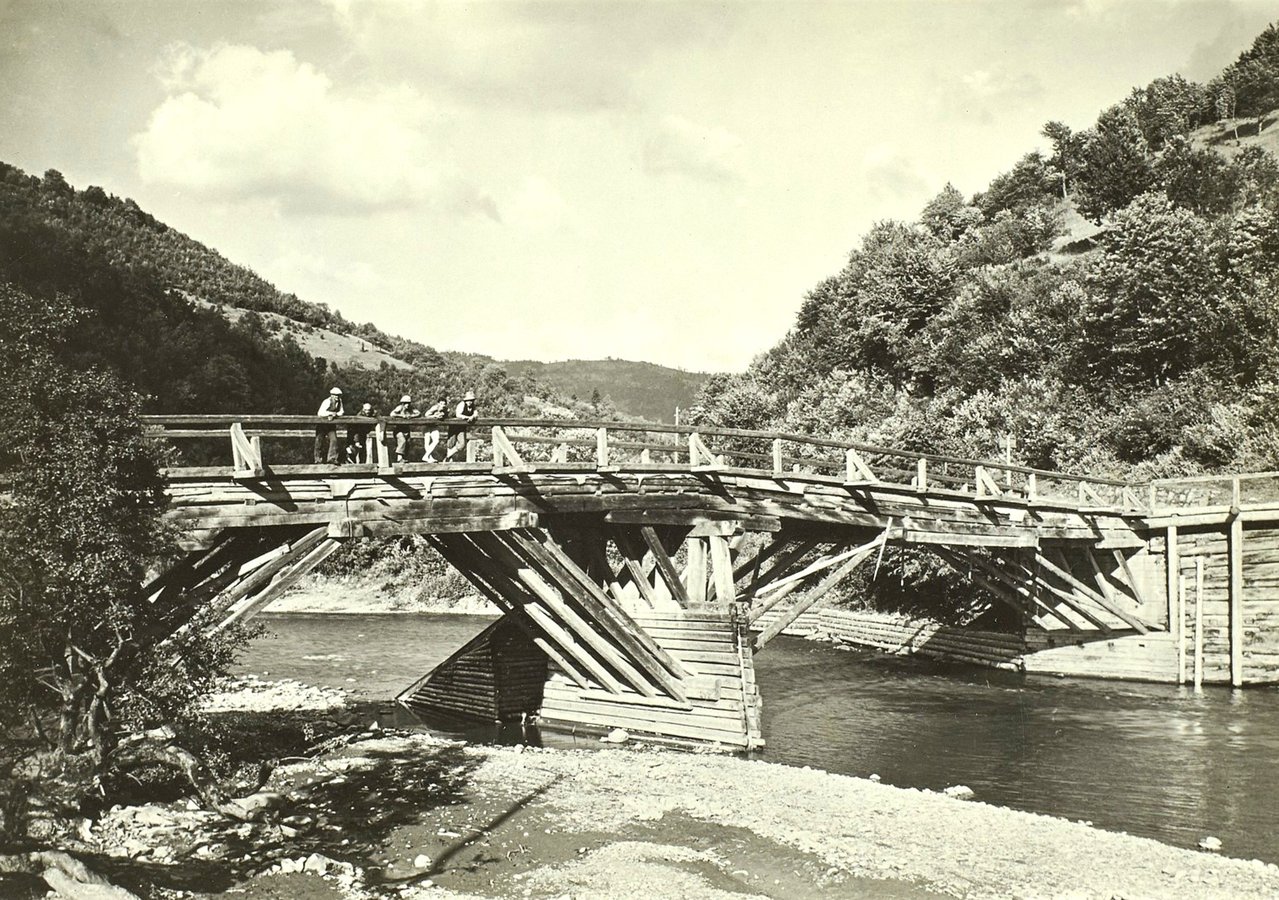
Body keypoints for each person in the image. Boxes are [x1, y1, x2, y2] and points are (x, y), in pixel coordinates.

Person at [446, 390, 478, 460]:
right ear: (465, 400)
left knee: (462, 445)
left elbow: (476, 414)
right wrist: (467, 417)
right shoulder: (461, 404)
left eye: (471, 400)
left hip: (462, 427)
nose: (470, 402)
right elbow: (458, 414)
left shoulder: (473, 406)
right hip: (454, 426)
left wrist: (473, 417)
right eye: (468, 400)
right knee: (450, 444)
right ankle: (448, 461)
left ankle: (448, 456)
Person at [314, 387, 344, 464]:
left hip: (331, 425)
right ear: (331, 395)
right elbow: (320, 413)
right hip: (322, 424)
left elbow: (341, 412)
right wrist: (329, 413)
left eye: (338, 395)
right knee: (319, 441)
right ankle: (318, 459)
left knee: (334, 440)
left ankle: (332, 458)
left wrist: (335, 414)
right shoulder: (327, 402)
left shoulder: (340, 402)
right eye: (335, 395)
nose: (337, 397)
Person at [389, 394, 420, 462]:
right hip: (398, 429)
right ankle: (399, 458)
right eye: (405, 403)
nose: (407, 405)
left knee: (407, 443)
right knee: (402, 441)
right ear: (402, 403)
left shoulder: (411, 408)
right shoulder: (399, 408)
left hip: (406, 429)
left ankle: (403, 458)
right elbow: (392, 414)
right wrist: (401, 416)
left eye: (408, 403)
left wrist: (411, 416)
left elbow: (418, 413)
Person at [421, 394, 448, 462]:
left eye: (444, 404)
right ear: (438, 403)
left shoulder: (445, 410)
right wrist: (434, 416)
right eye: (441, 403)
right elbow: (426, 415)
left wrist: (443, 415)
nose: (442, 405)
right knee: (427, 441)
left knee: (436, 440)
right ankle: (429, 458)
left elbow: (446, 416)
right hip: (426, 425)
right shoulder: (435, 408)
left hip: (434, 426)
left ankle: (426, 456)